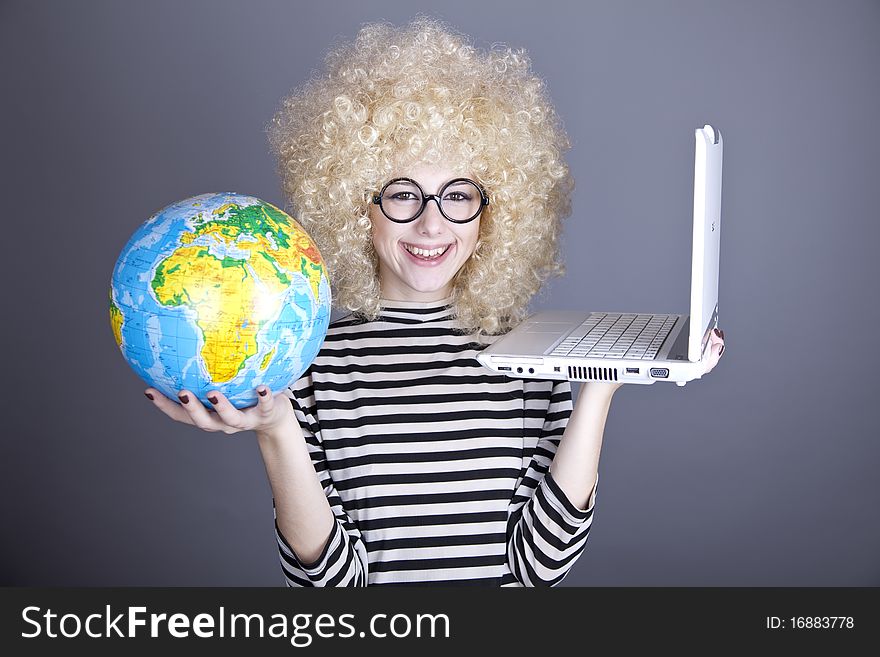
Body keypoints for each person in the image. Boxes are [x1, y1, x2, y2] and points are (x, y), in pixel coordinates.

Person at [145, 18, 725, 586]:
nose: (431, 224)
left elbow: (540, 564)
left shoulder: (527, 354)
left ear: (492, 212)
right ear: (356, 206)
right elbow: (329, 583)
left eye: (458, 195)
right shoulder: (306, 359)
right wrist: (276, 431)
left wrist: (599, 383)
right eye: (402, 194)